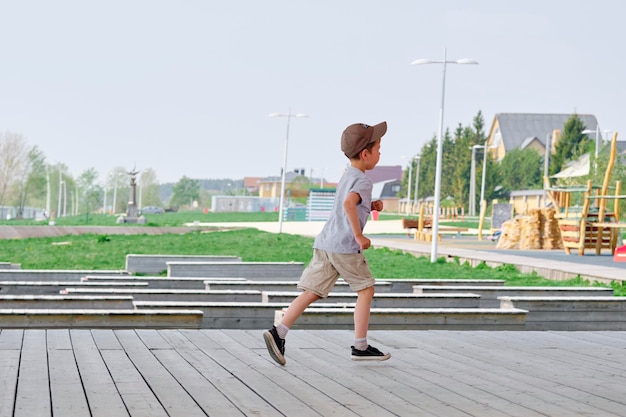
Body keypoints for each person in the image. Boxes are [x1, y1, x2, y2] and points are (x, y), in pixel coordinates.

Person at [263, 121, 391, 366]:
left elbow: (350, 201)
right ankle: (360, 346)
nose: (380, 154)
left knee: (311, 291)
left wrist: (370, 205)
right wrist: (359, 236)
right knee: (366, 289)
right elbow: (348, 204)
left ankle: (278, 333)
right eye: (378, 149)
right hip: (344, 246)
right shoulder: (364, 181)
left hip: (325, 243)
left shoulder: (348, 174)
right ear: (366, 154)